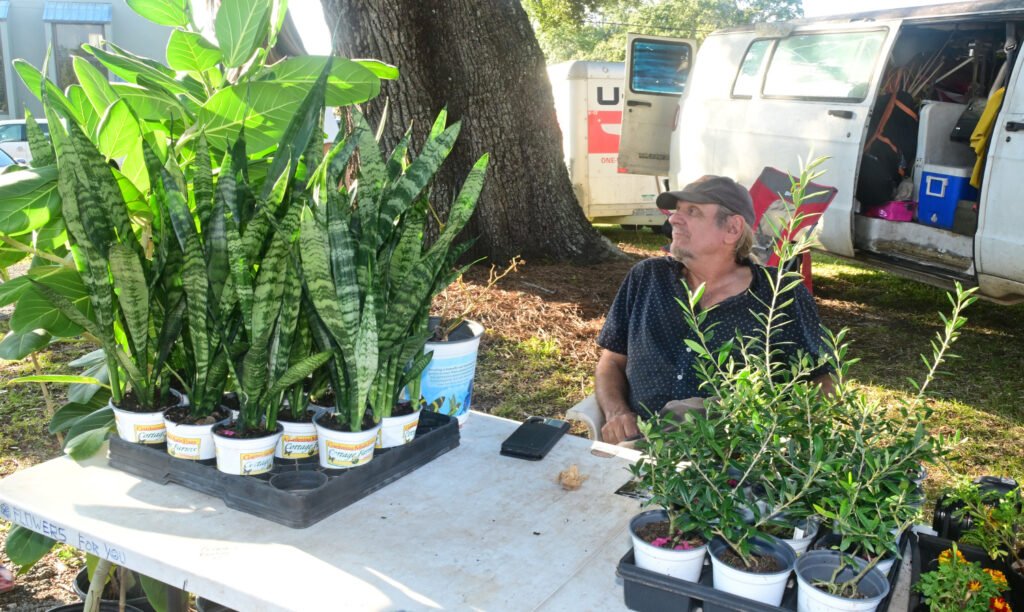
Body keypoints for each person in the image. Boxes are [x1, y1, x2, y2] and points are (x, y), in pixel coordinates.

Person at [595, 175, 833, 444]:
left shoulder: (779, 294)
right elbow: (611, 361)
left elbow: (821, 380)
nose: (674, 219)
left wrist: (780, 437)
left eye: (692, 211)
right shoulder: (647, 278)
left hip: (730, 457)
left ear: (732, 228)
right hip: (638, 445)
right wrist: (616, 412)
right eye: (677, 210)